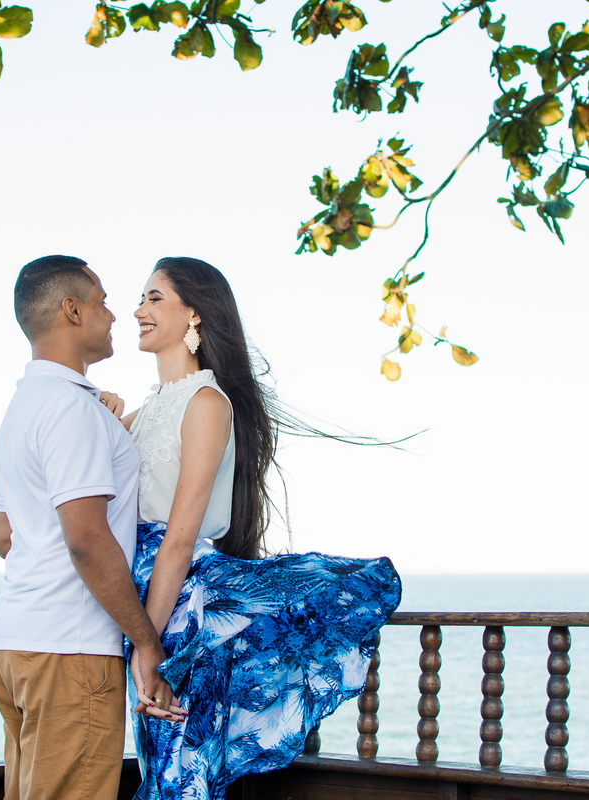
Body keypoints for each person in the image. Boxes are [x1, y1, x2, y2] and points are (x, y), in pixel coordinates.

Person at [120, 256, 402, 800]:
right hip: (147, 605)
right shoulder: (147, 408)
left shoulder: (206, 403)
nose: (139, 311)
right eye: (140, 299)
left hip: (177, 609)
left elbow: (179, 540)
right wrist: (106, 409)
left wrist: (147, 644)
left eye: (154, 298)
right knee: (164, 768)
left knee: (180, 773)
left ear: (195, 313)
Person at [0, 255, 183, 800]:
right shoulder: (73, 411)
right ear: (71, 310)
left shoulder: (22, 408)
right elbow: (87, 541)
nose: (115, 315)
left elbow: (6, 538)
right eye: (102, 302)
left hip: (12, 645)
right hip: (68, 651)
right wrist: (146, 641)